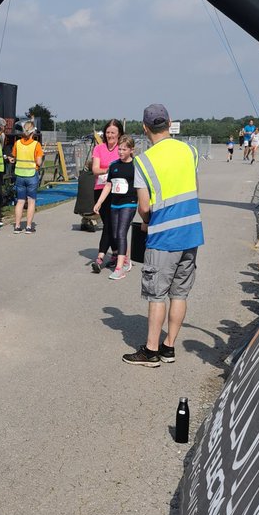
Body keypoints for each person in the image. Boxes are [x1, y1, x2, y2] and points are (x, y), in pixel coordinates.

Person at [122, 104, 203, 368]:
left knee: (157, 295)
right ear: (169, 122)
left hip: (163, 236)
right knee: (179, 294)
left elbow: (144, 207)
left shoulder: (144, 161)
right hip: (191, 232)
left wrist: (147, 222)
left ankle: (151, 351)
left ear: (145, 128)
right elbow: (194, 188)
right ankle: (169, 347)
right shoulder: (189, 151)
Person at [91, 133, 139, 279]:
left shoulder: (136, 165)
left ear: (131, 150)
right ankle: (125, 260)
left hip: (129, 202)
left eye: (124, 149)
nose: (121, 152)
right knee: (114, 233)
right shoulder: (114, 165)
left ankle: (119, 268)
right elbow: (108, 184)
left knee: (121, 232)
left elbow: (142, 186)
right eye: (119, 149)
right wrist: (99, 202)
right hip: (115, 203)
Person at [90, 120, 122, 262]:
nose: (110, 135)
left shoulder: (121, 148)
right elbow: (95, 169)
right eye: (108, 132)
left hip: (116, 190)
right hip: (100, 189)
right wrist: (109, 170)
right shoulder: (99, 148)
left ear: (119, 134)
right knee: (108, 223)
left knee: (110, 224)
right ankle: (115, 252)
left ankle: (100, 256)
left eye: (113, 133)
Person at [10, 120, 43, 233]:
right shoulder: (36, 145)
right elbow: (38, 162)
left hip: (20, 175)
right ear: (33, 132)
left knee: (20, 201)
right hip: (31, 175)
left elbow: (13, 157)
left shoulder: (17, 143)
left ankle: (17, 226)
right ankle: (29, 226)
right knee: (31, 201)